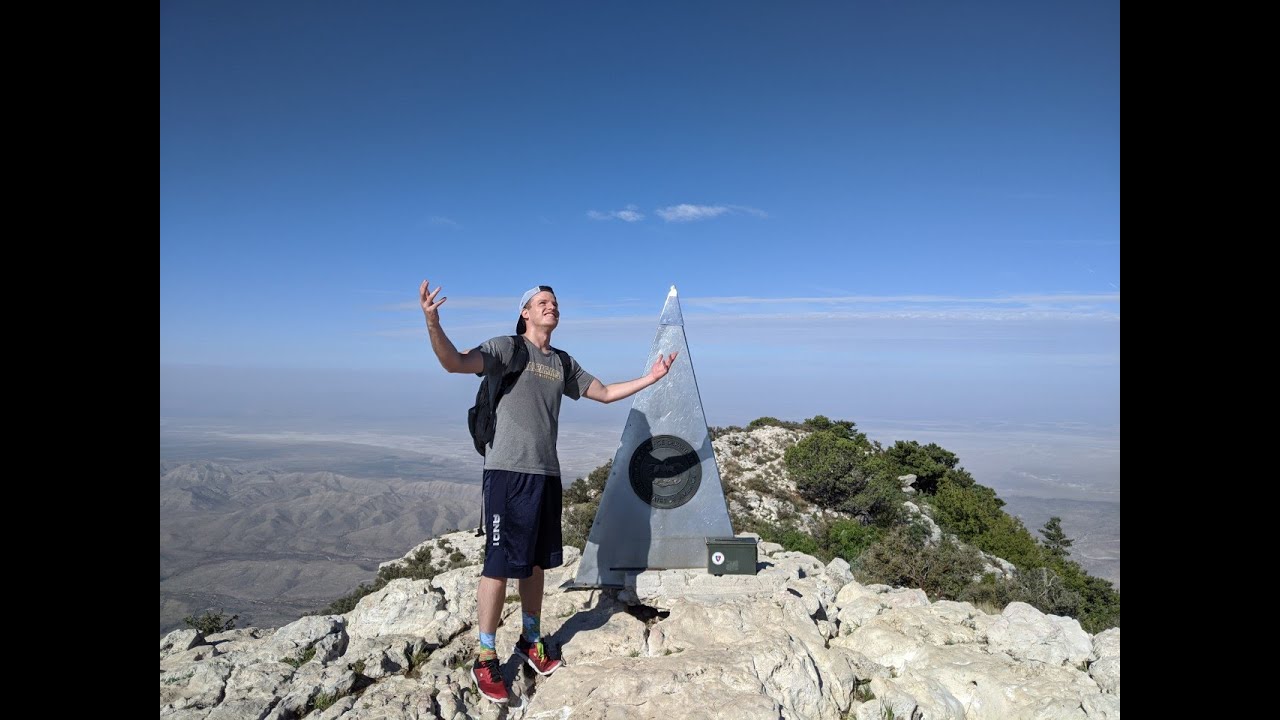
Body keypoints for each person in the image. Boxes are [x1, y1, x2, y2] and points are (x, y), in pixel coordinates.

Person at [419, 280, 678, 704]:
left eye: (555, 303)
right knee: (499, 565)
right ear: (525, 313)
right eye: (542, 303)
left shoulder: (561, 362)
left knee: (536, 563)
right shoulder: (507, 348)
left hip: (546, 474)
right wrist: (432, 322)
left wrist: (651, 377)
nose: (551, 307)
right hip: (506, 472)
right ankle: (485, 657)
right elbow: (455, 362)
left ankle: (531, 640)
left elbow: (607, 393)